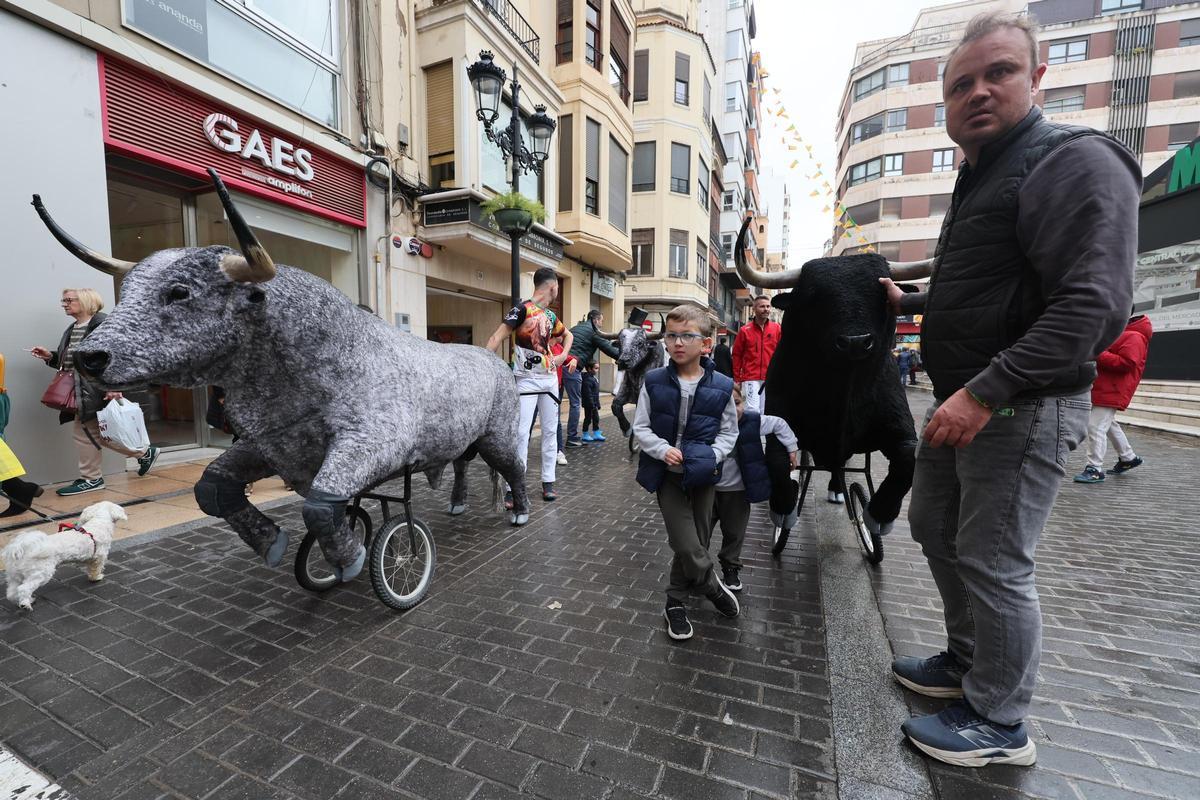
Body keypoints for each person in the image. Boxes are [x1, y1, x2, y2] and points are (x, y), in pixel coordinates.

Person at [877, 13, 1140, 768]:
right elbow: (994, 287)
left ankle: (999, 724)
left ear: (1038, 77)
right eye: (961, 84)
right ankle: (966, 663)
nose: (978, 92)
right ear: (946, 103)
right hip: (969, 401)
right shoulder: (985, 172)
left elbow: (1093, 304)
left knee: (995, 561)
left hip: (1016, 406)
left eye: (999, 73)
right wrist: (914, 305)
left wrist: (985, 392)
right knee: (931, 525)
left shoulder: (1071, 160)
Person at [633, 305, 739, 641]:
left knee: (700, 540)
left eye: (687, 336)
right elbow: (641, 427)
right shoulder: (653, 381)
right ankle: (712, 586)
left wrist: (713, 454)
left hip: (705, 473)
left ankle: (674, 603)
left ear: (706, 344)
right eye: (671, 335)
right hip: (667, 475)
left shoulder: (722, 386)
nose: (678, 342)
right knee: (684, 540)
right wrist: (663, 450)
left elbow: (728, 434)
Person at [30, 289, 159, 496]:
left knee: (84, 434)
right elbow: (73, 362)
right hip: (83, 390)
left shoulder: (104, 325)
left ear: (86, 301)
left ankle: (92, 479)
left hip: (96, 390)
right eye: (63, 300)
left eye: (69, 300)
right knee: (95, 433)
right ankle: (143, 453)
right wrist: (50, 356)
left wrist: (114, 386)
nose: (64, 304)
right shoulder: (73, 328)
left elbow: (119, 358)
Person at [486, 268, 573, 503]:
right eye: (557, 289)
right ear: (553, 287)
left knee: (550, 430)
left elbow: (568, 335)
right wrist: (483, 366)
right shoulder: (522, 309)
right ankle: (514, 487)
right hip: (525, 380)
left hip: (549, 380)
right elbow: (496, 338)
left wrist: (563, 355)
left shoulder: (551, 317)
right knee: (521, 433)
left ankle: (548, 482)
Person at [713, 383, 798, 592]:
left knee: (734, 533)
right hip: (708, 490)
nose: (734, 410)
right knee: (699, 533)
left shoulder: (752, 421)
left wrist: (792, 448)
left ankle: (730, 568)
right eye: (726, 406)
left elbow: (778, 424)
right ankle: (697, 570)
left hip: (738, 491)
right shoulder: (708, 424)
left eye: (738, 403)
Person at [1074, 312, 1153, 483]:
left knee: (1095, 426)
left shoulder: (1134, 336)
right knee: (1108, 425)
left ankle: (1094, 469)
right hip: (1106, 388)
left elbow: (1127, 363)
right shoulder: (1124, 334)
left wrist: (1097, 353)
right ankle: (1128, 457)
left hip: (1113, 390)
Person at [564, 310, 620, 447]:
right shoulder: (594, 331)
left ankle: (556, 438)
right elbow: (610, 350)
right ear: (595, 320)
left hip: (560, 365)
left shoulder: (576, 327)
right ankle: (571, 438)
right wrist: (627, 358)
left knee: (555, 404)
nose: (601, 324)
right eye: (601, 320)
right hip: (572, 367)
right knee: (575, 403)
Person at [732, 295, 781, 413]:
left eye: (768, 306)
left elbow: (780, 354)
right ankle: (753, 431)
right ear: (754, 309)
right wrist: (737, 378)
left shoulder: (777, 329)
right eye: (762, 306)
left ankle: (762, 432)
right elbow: (737, 355)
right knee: (753, 410)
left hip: (769, 377)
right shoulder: (745, 330)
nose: (766, 309)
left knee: (765, 410)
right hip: (751, 377)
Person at [580, 361, 603, 442]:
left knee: (596, 418)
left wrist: (597, 404)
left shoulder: (593, 378)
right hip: (589, 404)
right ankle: (585, 433)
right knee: (588, 419)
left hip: (594, 404)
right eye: (596, 368)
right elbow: (588, 394)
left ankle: (596, 432)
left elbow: (596, 394)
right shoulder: (587, 379)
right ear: (589, 369)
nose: (597, 370)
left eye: (598, 368)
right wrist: (591, 404)